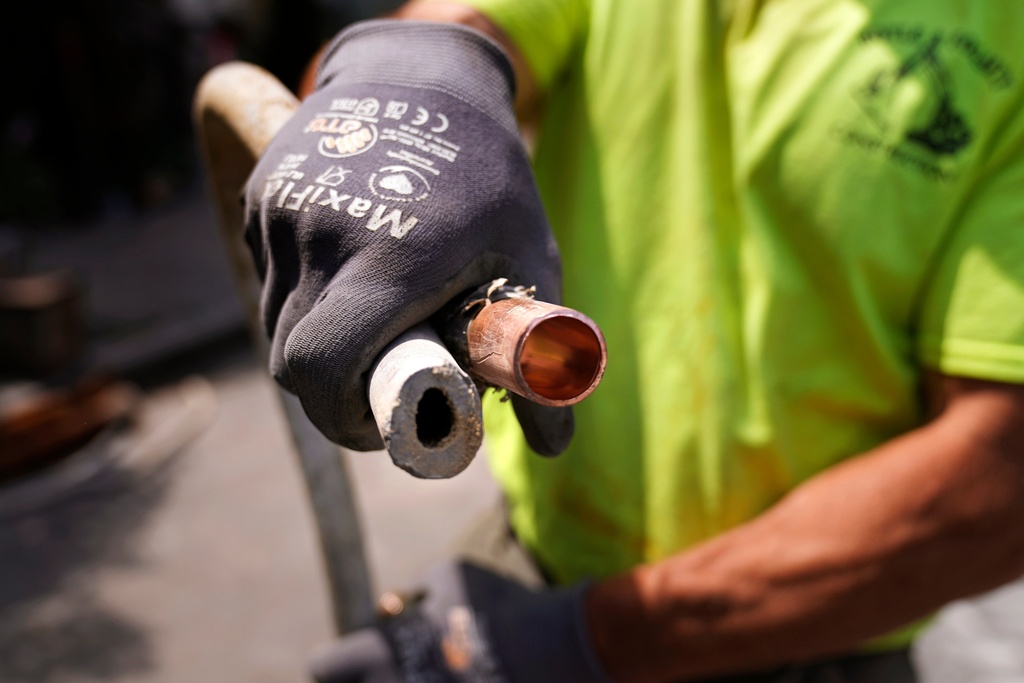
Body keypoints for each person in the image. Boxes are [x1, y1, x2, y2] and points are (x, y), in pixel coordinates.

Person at [242, 1, 1024, 681]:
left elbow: (999, 478)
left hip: (804, 639)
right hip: (528, 560)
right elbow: (464, 21)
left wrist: (583, 644)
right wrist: (412, 82)